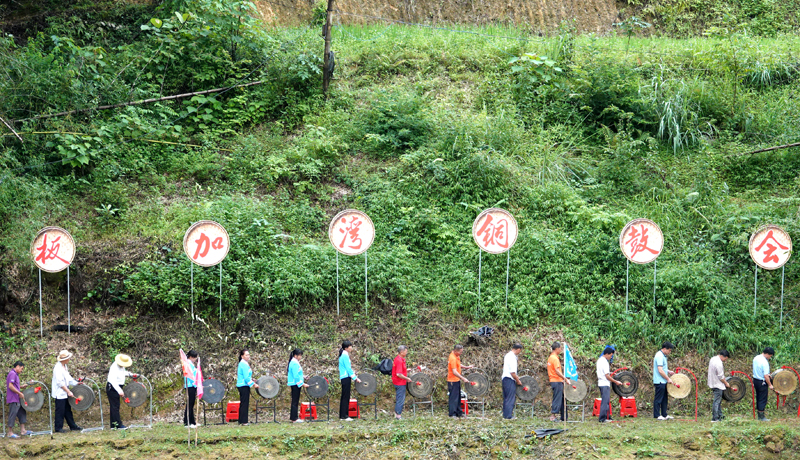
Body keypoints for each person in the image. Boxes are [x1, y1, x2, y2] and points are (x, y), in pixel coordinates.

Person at [52, 350, 82, 433]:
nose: (69, 359)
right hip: (59, 393)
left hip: (65, 392)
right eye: (68, 358)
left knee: (67, 410)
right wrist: (68, 391)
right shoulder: (58, 368)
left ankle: (72, 426)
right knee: (60, 411)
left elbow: (68, 378)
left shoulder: (65, 366)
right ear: (64, 359)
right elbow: (60, 383)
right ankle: (58, 428)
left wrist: (76, 383)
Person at [106, 354, 138, 430]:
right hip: (113, 388)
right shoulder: (114, 367)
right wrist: (119, 390)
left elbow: (123, 373)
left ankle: (114, 425)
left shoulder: (121, 366)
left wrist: (131, 374)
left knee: (115, 406)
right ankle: (117, 425)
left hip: (117, 387)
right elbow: (113, 381)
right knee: (115, 406)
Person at [446, 344, 473, 418]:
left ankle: (459, 413)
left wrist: (466, 367)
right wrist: (463, 378)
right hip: (452, 381)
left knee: (458, 397)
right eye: (460, 352)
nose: (461, 353)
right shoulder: (452, 358)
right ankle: (452, 414)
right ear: (455, 351)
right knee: (453, 398)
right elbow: (454, 371)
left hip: (457, 380)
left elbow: (457, 365)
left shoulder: (456, 356)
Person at [596, 347, 622, 423]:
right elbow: (607, 376)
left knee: (606, 401)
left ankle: (607, 417)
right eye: (610, 355)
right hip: (604, 384)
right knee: (605, 401)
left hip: (601, 383)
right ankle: (602, 418)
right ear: (607, 354)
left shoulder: (600, 360)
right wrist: (615, 381)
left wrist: (611, 373)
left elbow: (604, 373)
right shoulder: (604, 362)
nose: (611, 357)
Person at [6, 361, 31, 438]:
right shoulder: (12, 374)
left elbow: (14, 385)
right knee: (13, 414)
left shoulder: (15, 374)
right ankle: (10, 432)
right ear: (17, 366)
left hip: (17, 398)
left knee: (22, 412)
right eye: (21, 368)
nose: (21, 370)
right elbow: (10, 386)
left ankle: (23, 430)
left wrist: (21, 387)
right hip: (13, 398)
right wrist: (19, 393)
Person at [338, 341, 361, 421]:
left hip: (344, 377)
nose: (351, 348)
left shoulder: (343, 354)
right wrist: (355, 378)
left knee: (344, 396)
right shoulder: (345, 355)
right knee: (346, 397)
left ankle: (342, 415)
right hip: (346, 377)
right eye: (350, 346)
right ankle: (344, 416)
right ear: (346, 348)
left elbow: (347, 368)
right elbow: (348, 369)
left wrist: (353, 373)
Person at [548, 342, 570, 422]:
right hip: (556, 381)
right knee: (557, 399)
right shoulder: (555, 358)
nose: (561, 350)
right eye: (560, 348)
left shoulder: (551, 357)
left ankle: (564, 416)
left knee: (561, 398)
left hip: (555, 380)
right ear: (557, 349)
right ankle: (553, 416)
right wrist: (565, 378)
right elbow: (557, 371)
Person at [653, 342, 675, 420]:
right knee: (658, 399)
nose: (670, 352)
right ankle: (657, 415)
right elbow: (660, 370)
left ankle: (664, 414)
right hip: (659, 381)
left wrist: (668, 371)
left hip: (663, 381)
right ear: (665, 349)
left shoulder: (663, 356)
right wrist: (668, 379)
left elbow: (662, 368)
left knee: (664, 399)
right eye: (669, 350)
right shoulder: (659, 356)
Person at [236, 349, 259, 426]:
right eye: (246, 355)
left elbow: (246, 376)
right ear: (242, 356)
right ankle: (244, 421)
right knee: (245, 403)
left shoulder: (243, 363)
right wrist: (254, 384)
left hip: (243, 385)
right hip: (243, 385)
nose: (248, 356)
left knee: (243, 403)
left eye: (248, 355)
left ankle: (241, 420)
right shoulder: (244, 364)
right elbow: (246, 378)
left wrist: (252, 379)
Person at [707, 350, 731, 422]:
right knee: (717, 401)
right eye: (725, 359)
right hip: (717, 384)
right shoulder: (719, 363)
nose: (725, 360)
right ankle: (715, 418)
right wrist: (726, 383)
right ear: (723, 356)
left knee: (718, 401)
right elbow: (721, 377)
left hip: (712, 382)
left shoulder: (713, 358)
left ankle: (720, 415)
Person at [501, 343, 523, 420]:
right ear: (518, 349)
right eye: (520, 351)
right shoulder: (512, 357)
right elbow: (512, 373)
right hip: (509, 379)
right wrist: (518, 381)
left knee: (506, 397)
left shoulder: (508, 355)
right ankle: (508, 416)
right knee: (510, 398)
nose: (519, 352)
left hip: (505, 379)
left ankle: (505, 414)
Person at [287, 349, 309, 423]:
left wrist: (304, 377)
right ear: (295, 356)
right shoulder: (294, 363)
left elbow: (298, 374)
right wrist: (302, 384)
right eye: (299, 355)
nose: (300, 357)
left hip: (295, 383)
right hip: (295, 384)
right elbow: (296, 376)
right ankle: (294, 418)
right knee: (295, 401)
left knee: (295, 400)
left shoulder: (294, 362)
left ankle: (293, 417)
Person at [753, 347, 774, 421]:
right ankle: (761, 417)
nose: (769, 358)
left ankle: (759, 414)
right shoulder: (765, 362)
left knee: (758, 397)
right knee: (762, 398)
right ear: (767, 354)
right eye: (770, 356)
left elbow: (759, 370)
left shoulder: (756, 358)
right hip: (762, 382)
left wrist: (767, 375)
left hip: (755, 380)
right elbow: (765, 376)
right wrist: (770, 385)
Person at [392, 345, 411, 419]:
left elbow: (399, 370)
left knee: (399, 398)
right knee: (400, 399)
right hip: (399, 383)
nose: (406, 353)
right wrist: (407, 378)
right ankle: (398, 415)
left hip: (398, 382)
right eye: (406, 351)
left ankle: (397, 413)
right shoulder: (399, 360)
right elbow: (399, 374)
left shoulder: (399, 359)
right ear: (401, 352)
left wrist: (406, 370)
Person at [184, 350, 199, 428]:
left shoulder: (191, 364)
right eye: (194, 357)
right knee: (189, 404)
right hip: (190, 385)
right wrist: (194, 383)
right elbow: (189, 375)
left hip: (193, 385)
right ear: (191, 357)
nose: (195, 359)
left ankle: (192, 421)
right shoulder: (187, 364)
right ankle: (187, 422)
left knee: (192, 404)